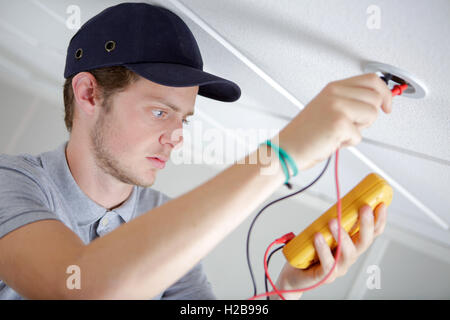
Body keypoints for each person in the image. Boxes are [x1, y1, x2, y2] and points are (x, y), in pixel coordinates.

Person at [0, 3, 390, 300]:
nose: (176, 137)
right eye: (159, 112)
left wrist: (286, 289)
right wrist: (281, 155)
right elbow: (82, 287)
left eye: (183, 119)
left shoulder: (159, 217)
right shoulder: (11, 183)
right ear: (88, 94)